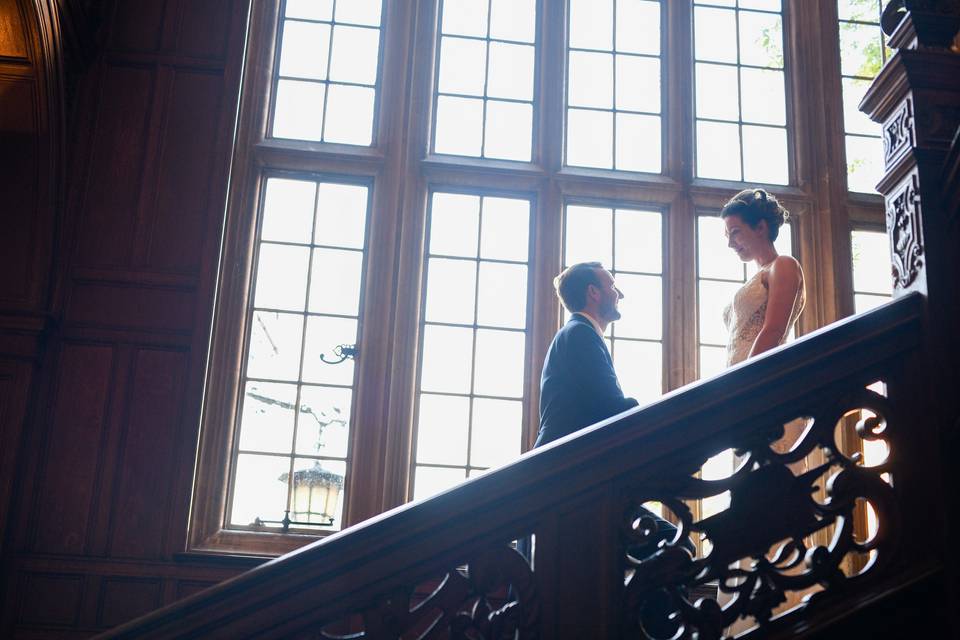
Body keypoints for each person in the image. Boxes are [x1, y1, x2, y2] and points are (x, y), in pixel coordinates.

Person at [535, 262, 637, 447]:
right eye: (612, 286)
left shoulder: (577, 332)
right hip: (563, 463)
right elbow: (609, 406)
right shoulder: (580, 334)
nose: (619, 294)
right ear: (593, 292)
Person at [721, 188, 805, 366]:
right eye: (728, 235)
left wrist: (746, 381)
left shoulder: (783, 264)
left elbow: (773, 331)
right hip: (735, 380)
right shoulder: (758, 276)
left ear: (760, 227)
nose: (729, 244)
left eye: (735, 232)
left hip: (758, 378)